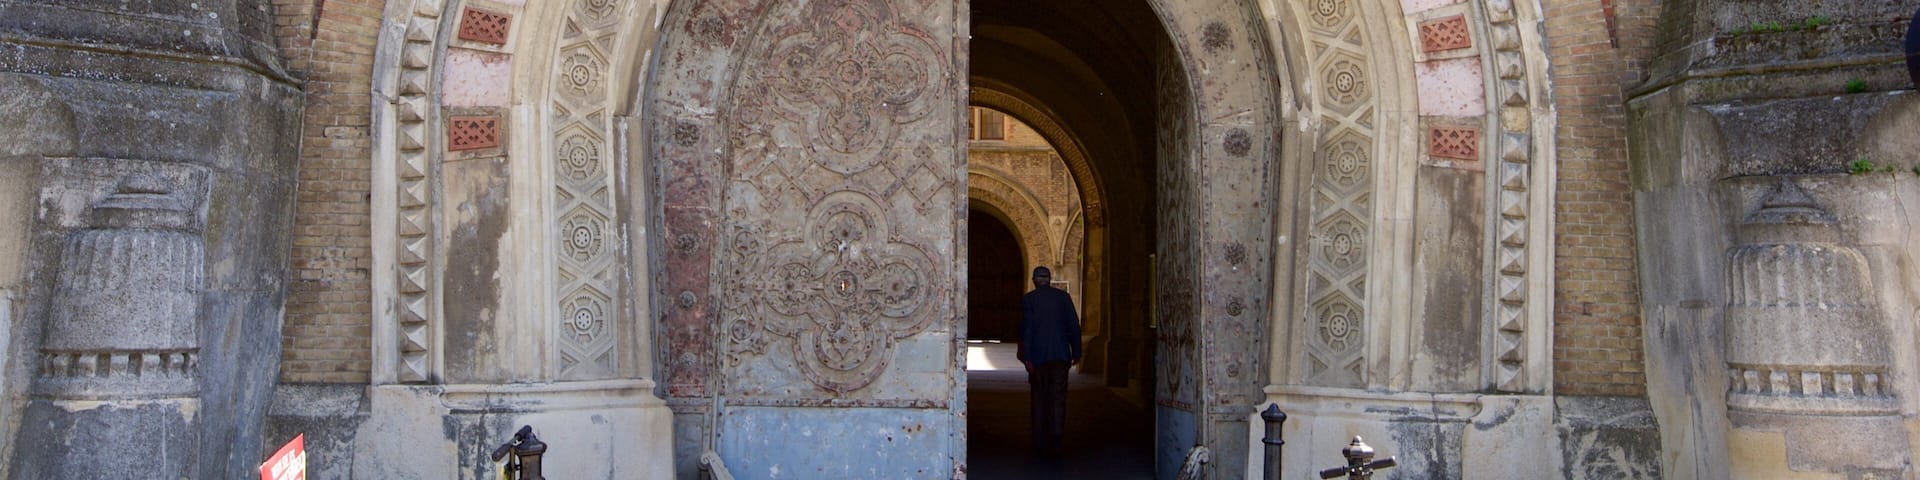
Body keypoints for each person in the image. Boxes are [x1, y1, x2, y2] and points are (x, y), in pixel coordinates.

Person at [1016, 265, 1081, 456]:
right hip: (1060, 356)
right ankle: (1057, 435)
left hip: (1037, 358)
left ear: (1034, 281)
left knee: (1039, 397)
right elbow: (1073, 326)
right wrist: (1076, 352)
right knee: (1058, 397)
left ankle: (1038, 438)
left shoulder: (1029, 300)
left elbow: (1026, 330)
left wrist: (1027, 358)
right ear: (1050, 280)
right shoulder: (1063, 298)